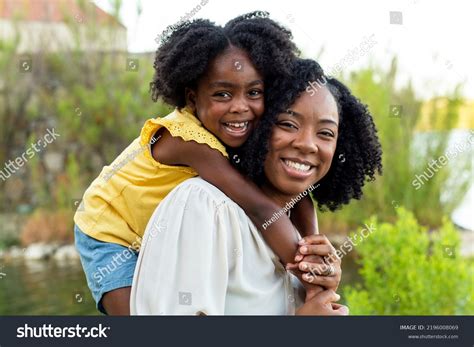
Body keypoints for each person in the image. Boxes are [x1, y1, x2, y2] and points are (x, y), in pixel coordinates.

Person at [74, 12, 322, 315]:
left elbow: (299, 198)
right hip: (109, 232)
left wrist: (314, 243)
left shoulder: (238, 131)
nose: (240, 107)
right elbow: (259, 206)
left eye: (254, 92)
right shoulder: (188, 141)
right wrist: (308, 273)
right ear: (192, 99)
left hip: (153, 227)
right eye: (222, 94)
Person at [130, 58, 382, 315]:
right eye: (287, 124)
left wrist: (317, 292)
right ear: (257, 125)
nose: (307, 144)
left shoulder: (300, 235)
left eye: (326, 133)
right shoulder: (204, 206)